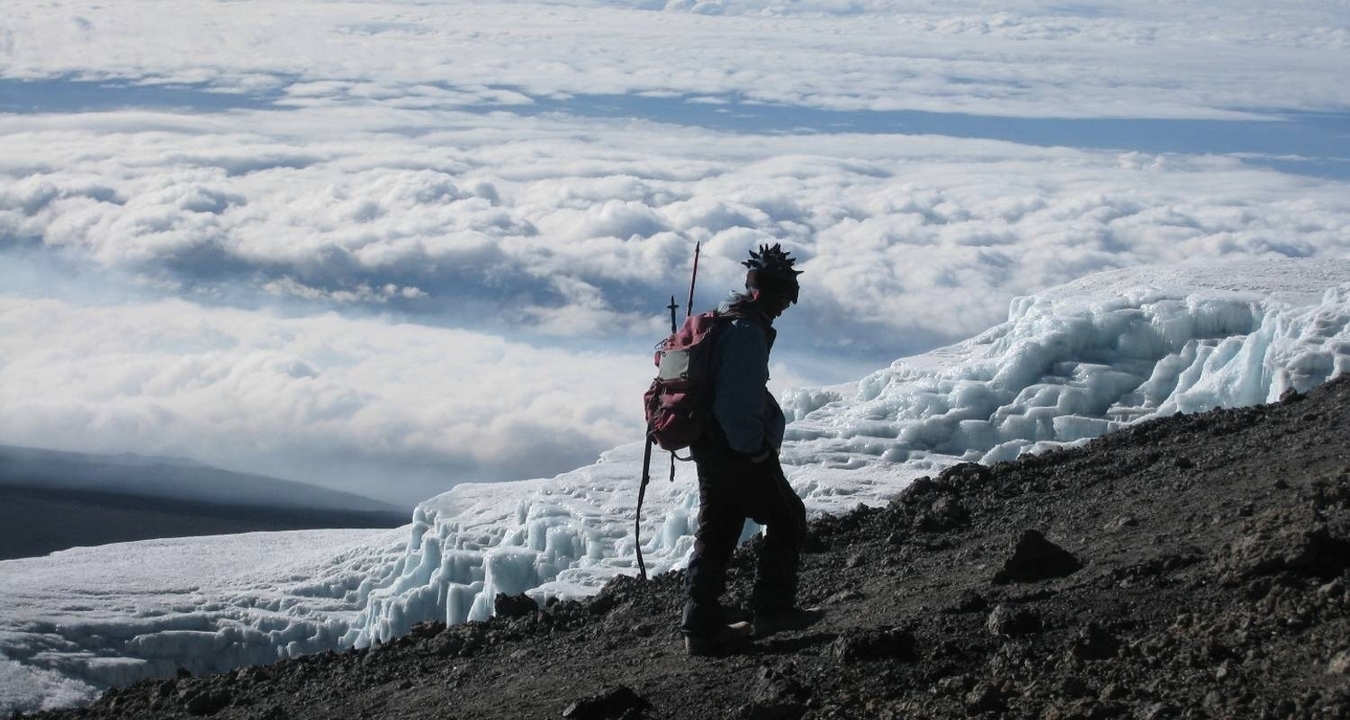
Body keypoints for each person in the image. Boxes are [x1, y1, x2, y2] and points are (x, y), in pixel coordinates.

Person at [681, 243, 812, 656]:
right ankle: (772, 609)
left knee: (717, 530)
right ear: (767, 294)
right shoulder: (746, 334)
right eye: (782, 300)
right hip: (736, 450)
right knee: (789, 516)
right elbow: (736, 403)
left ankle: (699, 624)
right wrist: (755, 451)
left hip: (708, 446)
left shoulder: (724, 322)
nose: (782, 309)